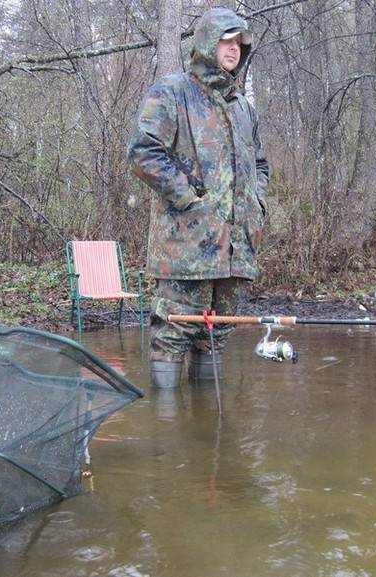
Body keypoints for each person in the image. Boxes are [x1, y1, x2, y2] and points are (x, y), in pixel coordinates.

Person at [127, 7, 269, 388]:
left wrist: (257, 205)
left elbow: (261, 165)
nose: (234, 49)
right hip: (186, 246)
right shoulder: (172, 92)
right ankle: (170, 438)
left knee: (215, 335)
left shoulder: (243, 108)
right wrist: (190, 200)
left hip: (236, 249)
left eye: (239, 42)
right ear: (207, 42)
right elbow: (144, 153)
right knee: (173, 332)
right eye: (226, 40)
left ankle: (205, 441)